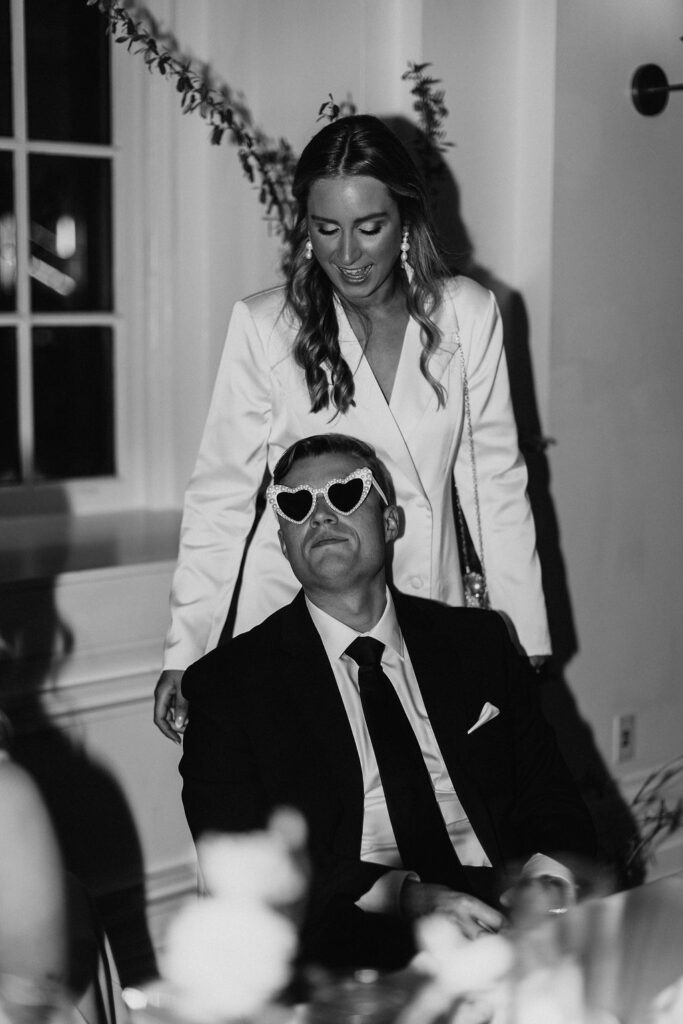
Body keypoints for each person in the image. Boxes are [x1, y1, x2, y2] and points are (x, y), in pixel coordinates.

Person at [155, 114, 550, 742]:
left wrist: (520, 632)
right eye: (326, 228)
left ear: (406, 221)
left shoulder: (467, 315)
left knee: (438, 810)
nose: (347, 255)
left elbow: (495, 481)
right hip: (293, 612)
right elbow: (220, 498)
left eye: (369, 228)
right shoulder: (267, 326)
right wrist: (187, 648)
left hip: (427, 606)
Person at [179, 434, 596, 969]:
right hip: (353, 930)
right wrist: (411, 898)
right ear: (283, 542)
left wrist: (546, 885)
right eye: (296, 504)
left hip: (509, 907)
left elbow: (552, 797)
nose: (322, 516)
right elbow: (238, 856)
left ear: (392, 522)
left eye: (347, 493)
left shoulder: (478, 643)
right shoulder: (228, 685)